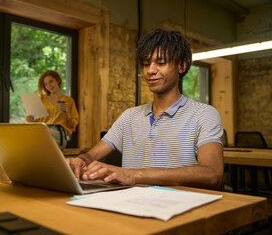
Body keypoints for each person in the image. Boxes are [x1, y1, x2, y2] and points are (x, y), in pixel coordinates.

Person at [67, 28, 224, 190]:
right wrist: (80, 161)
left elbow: (212, 174)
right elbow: (92, 156)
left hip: (178, 207)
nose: (150, 70)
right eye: (146, 64)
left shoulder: (204, 114)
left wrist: (134, 175)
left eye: (161, 63)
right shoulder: (129, 116)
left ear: (182, 65)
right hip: (130, 204)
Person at [26, 70, 79, 150]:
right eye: (46, 84)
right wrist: (30, 120)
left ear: (58, 80)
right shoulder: (41, 99)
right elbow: (34, 121)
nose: (49, 86)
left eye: (51, 81)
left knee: (40, 141)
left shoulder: (68, 101)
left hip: (58, 133)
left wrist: (67, 114)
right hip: (42, 131)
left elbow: (73, 125)